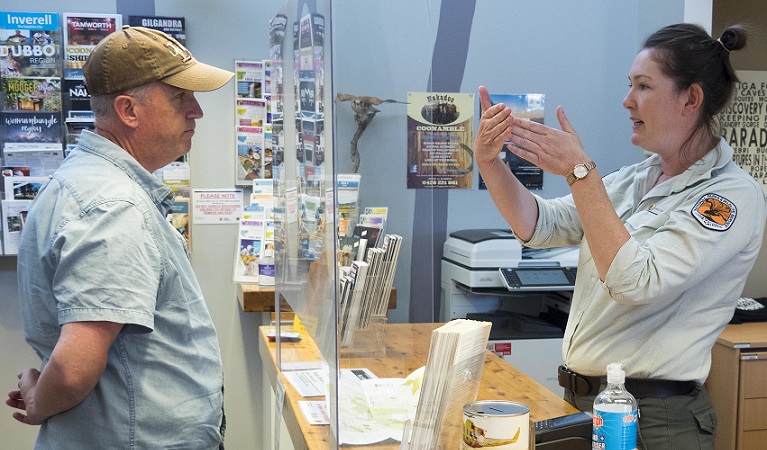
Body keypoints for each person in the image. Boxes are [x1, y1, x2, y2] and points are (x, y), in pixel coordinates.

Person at [474, 23, 766, 449]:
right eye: (629, 85)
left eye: (644, 87)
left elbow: (637, 281)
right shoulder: (636, 177)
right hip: (584, 403)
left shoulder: (729, 196)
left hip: (654, 421)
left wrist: (580, 172)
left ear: (691, 98)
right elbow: (540, 225)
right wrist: (490, 162)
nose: (627, 101)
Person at [6, 26, 233, 449]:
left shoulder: (85, 184)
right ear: (128, 110)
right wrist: (39, 404)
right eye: (180, 96)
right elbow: (75, 369)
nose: (197, 111)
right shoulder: (114, 207)